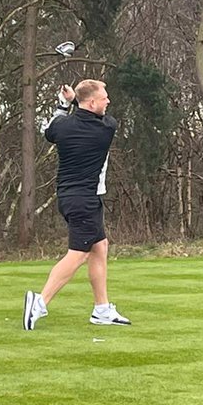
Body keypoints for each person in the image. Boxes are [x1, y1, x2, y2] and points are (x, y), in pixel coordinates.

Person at [23, 79, 130, 330]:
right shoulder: (106, 128)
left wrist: (66, 104)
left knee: (99, 246)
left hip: (70, 196)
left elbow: (49, 131)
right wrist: (73, 102)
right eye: (104, 98)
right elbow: (99, 118)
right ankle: (40, 301)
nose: (108, 101)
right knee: (79, 253)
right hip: (85, 199)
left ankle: (101, 309)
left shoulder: (62, 126)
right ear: (92, 102)